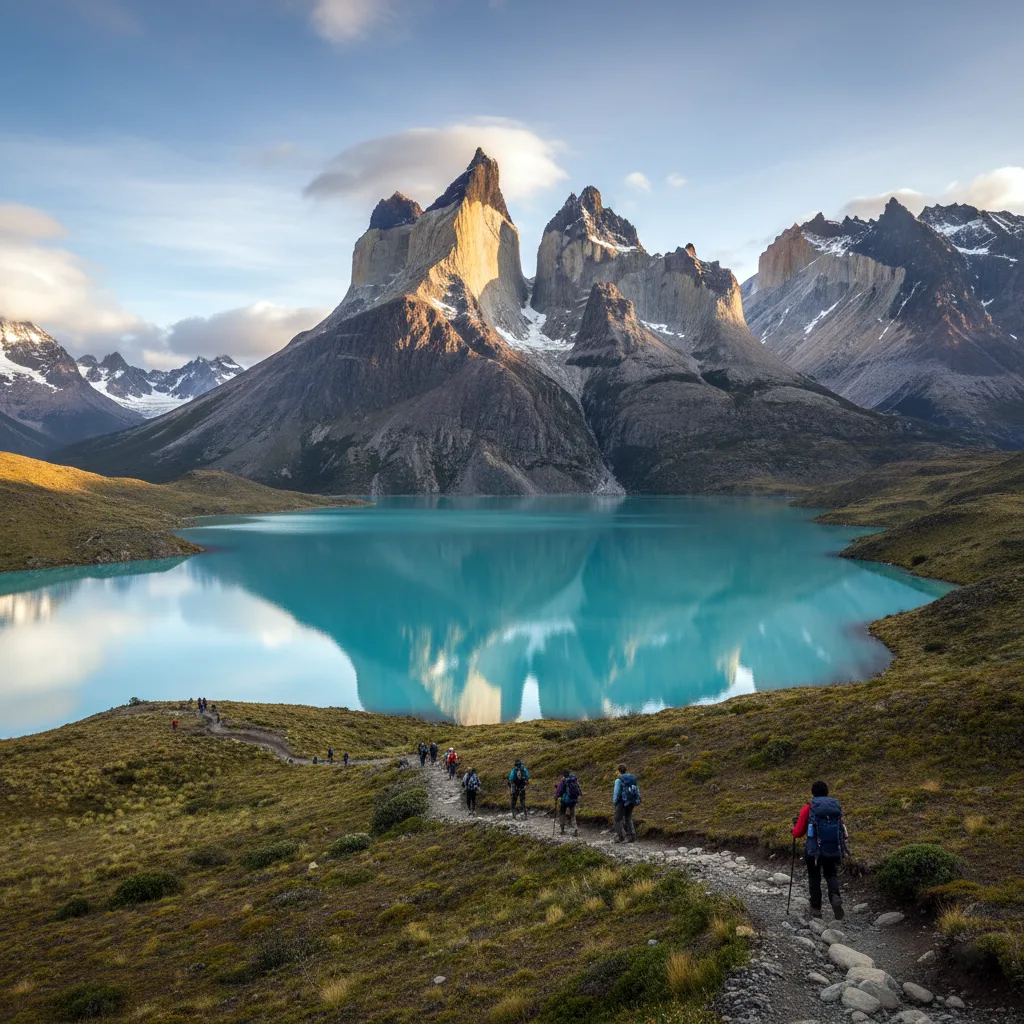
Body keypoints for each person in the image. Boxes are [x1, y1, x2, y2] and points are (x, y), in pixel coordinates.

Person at [792, 780, 848, 919]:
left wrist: (793, 830)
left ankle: (816, 909)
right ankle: (835, 897)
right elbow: (842, 827)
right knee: (831, 873)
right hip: (832, 847)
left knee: (814, 876)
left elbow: (798, 832)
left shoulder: (808, 808)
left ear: (813, 792)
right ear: (827, 791)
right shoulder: (834, 806)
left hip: (813, 850)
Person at [612, 764, 641, 843]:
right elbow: (637, 789)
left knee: (617, 819)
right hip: (631, 801)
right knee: (628, 818)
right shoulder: (632, 779)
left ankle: (621, 837)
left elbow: (616, 793)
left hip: (622, 802)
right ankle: (632, 836)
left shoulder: (619, 780)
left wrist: (615, 802)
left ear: (618, 771)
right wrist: (637, 799)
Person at [554, 769, 583, 836]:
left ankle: (562, 830)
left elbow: (561, 791)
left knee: (562, 813)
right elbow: (578, 788)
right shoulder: (574, 778)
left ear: (564, 774)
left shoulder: (564, 780)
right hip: (574, 800)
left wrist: (556, 796)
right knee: (572, 814)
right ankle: (575, 829)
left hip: (565, 800)